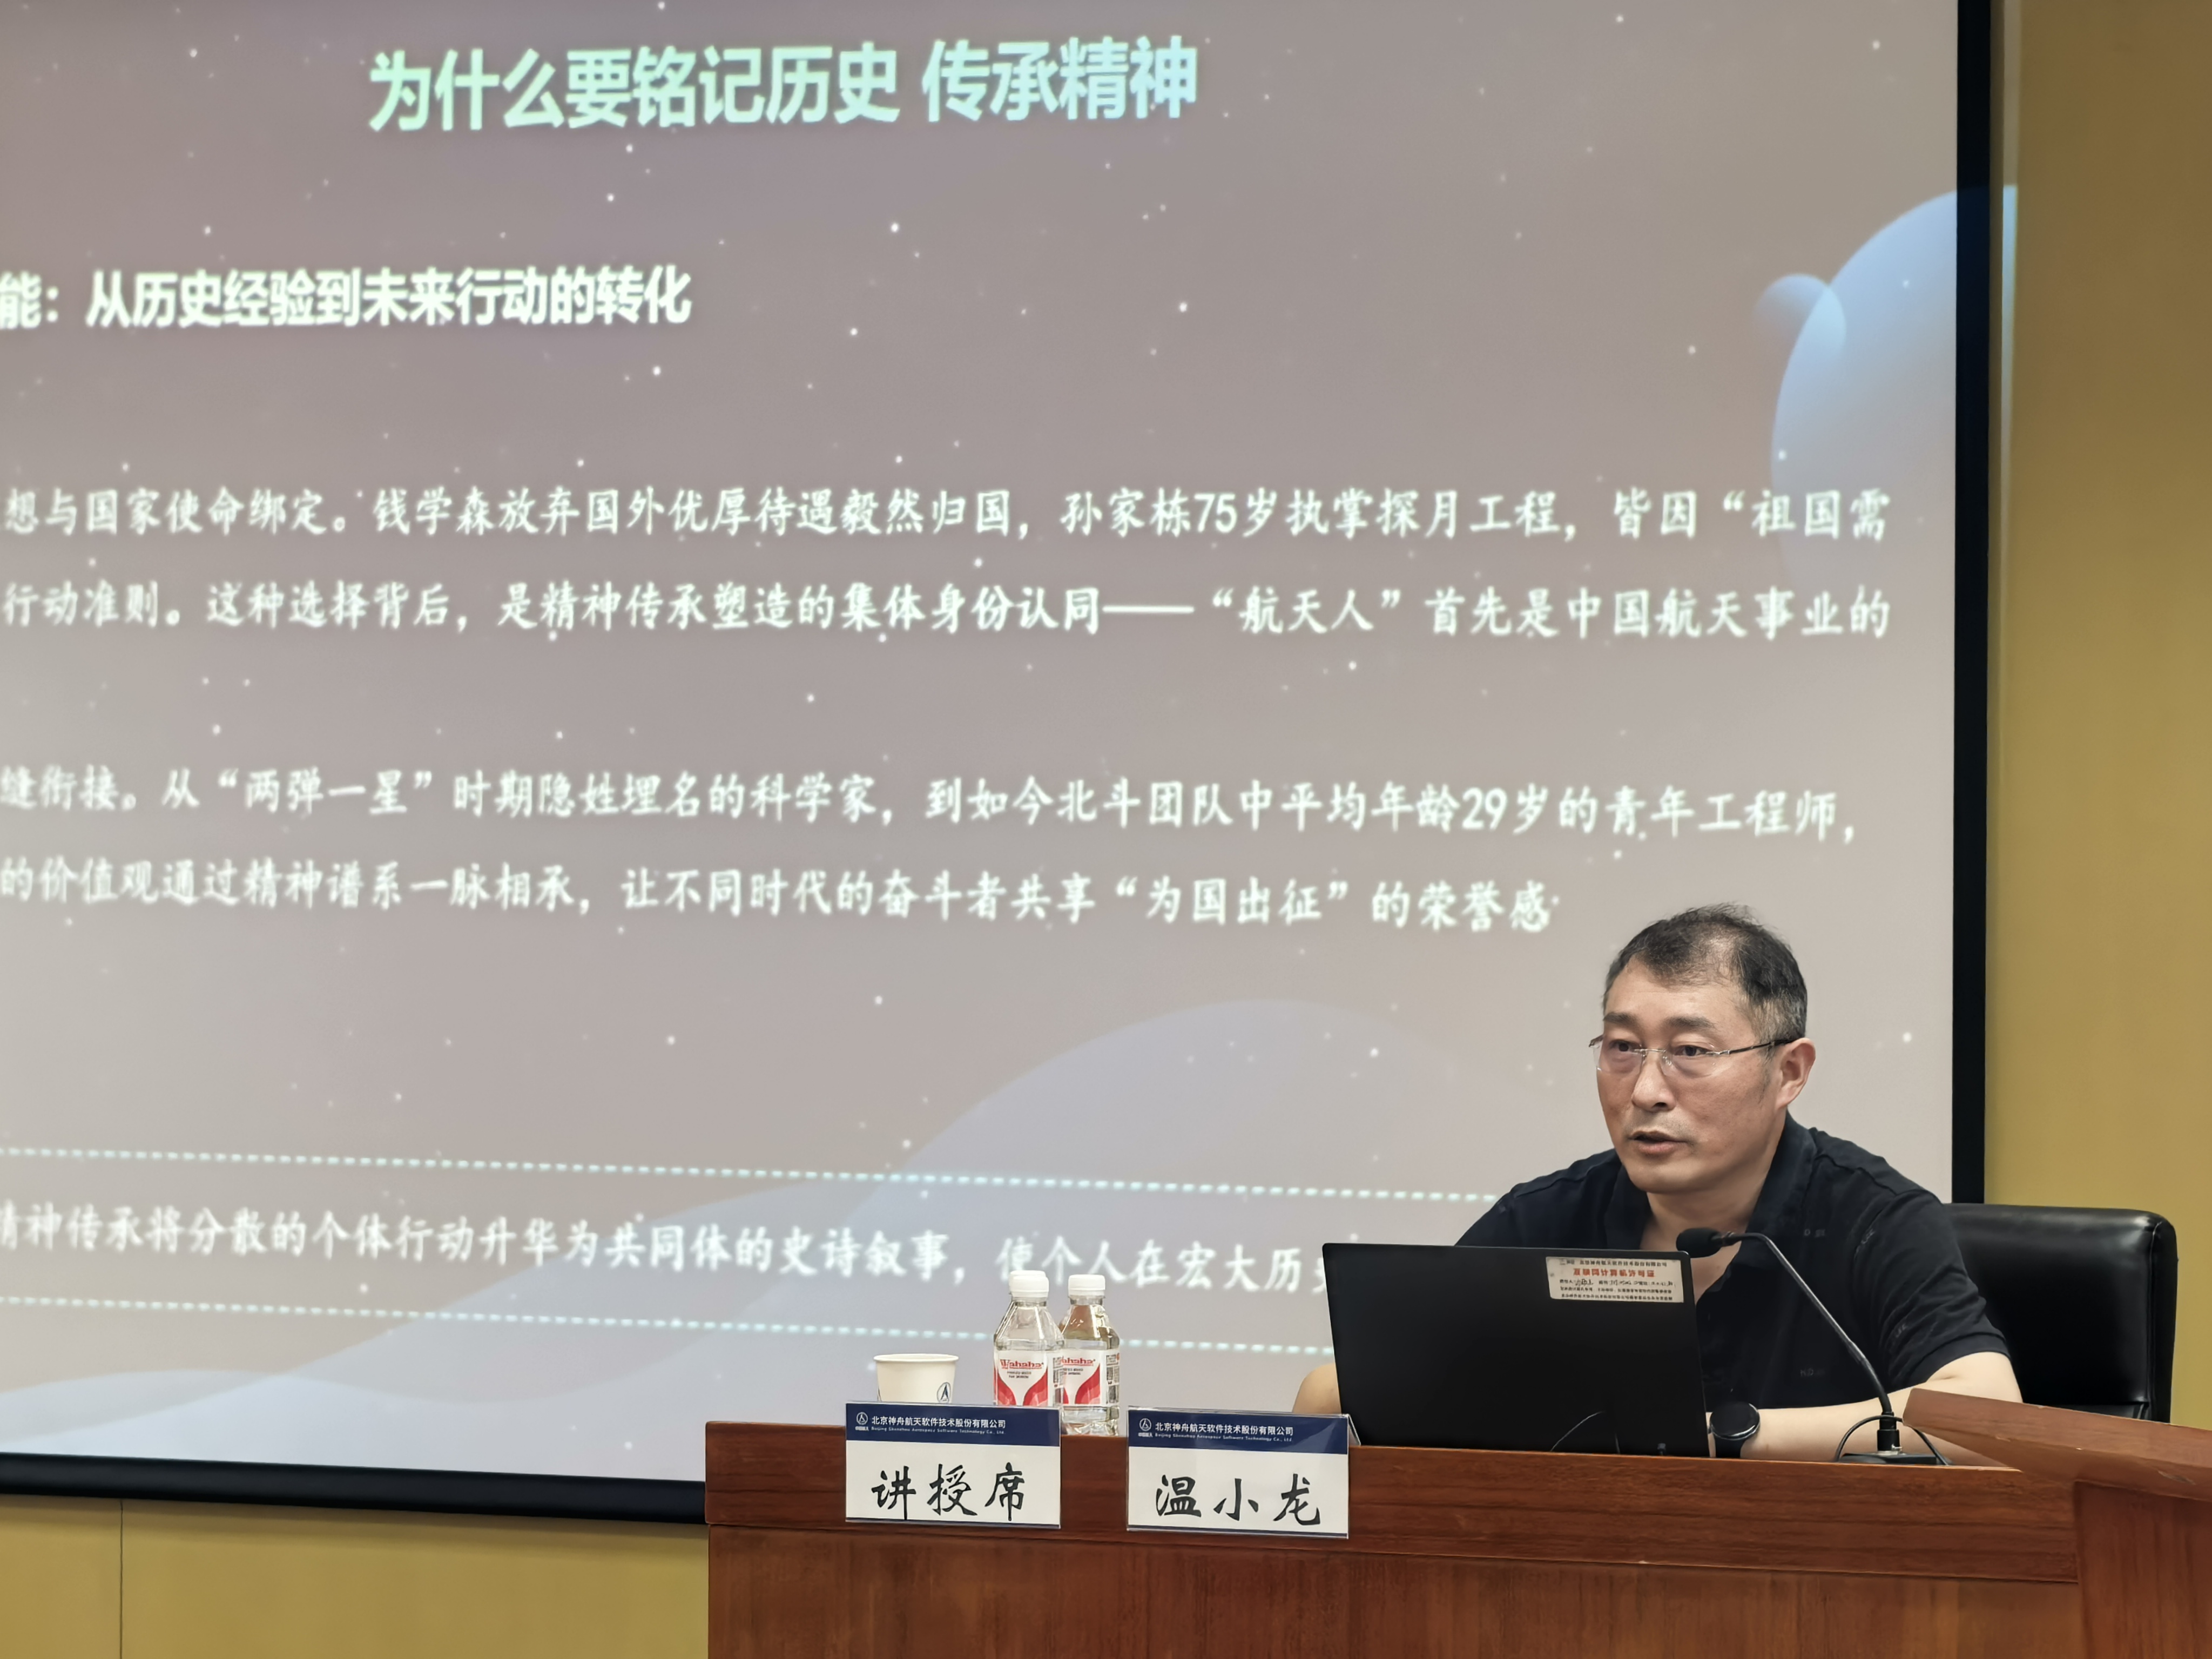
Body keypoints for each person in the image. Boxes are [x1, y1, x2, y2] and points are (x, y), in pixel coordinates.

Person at [1293, 904, 2020, 1462]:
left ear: (1789, 1072)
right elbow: (1332, 1397)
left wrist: (1723, 1437)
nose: (1644, 1090)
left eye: (1690, 1051)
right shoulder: (1545, 1219)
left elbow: (1990, 1419)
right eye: (1623, 1047)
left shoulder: (1874, 1217)